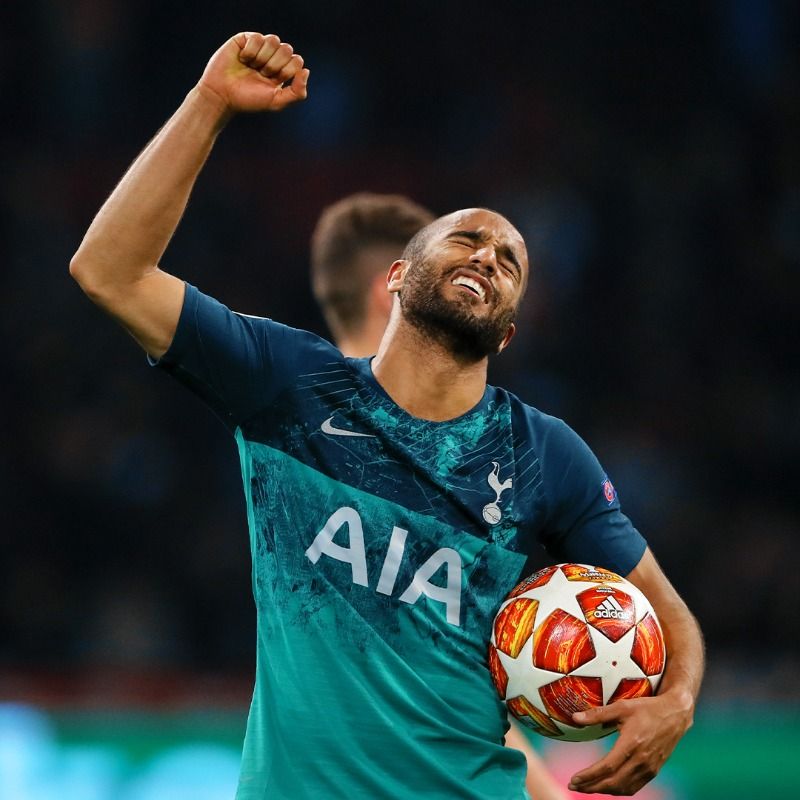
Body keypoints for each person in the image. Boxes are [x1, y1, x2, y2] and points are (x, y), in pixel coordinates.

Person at [70, 32, 704, 800]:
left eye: (510, 262)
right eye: (468, 238)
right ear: (398, 276)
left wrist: (676, 700)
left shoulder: (544, 453)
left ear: (507, 332)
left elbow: (666, 616)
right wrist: (208, 104)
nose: (489, 257)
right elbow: (108, 269)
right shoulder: (291, 384)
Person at [312, 192, 571, 800]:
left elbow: (436, 686)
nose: (481, 267)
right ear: (391, 286)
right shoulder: (320, 437)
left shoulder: (288, 418)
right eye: (456, 250)